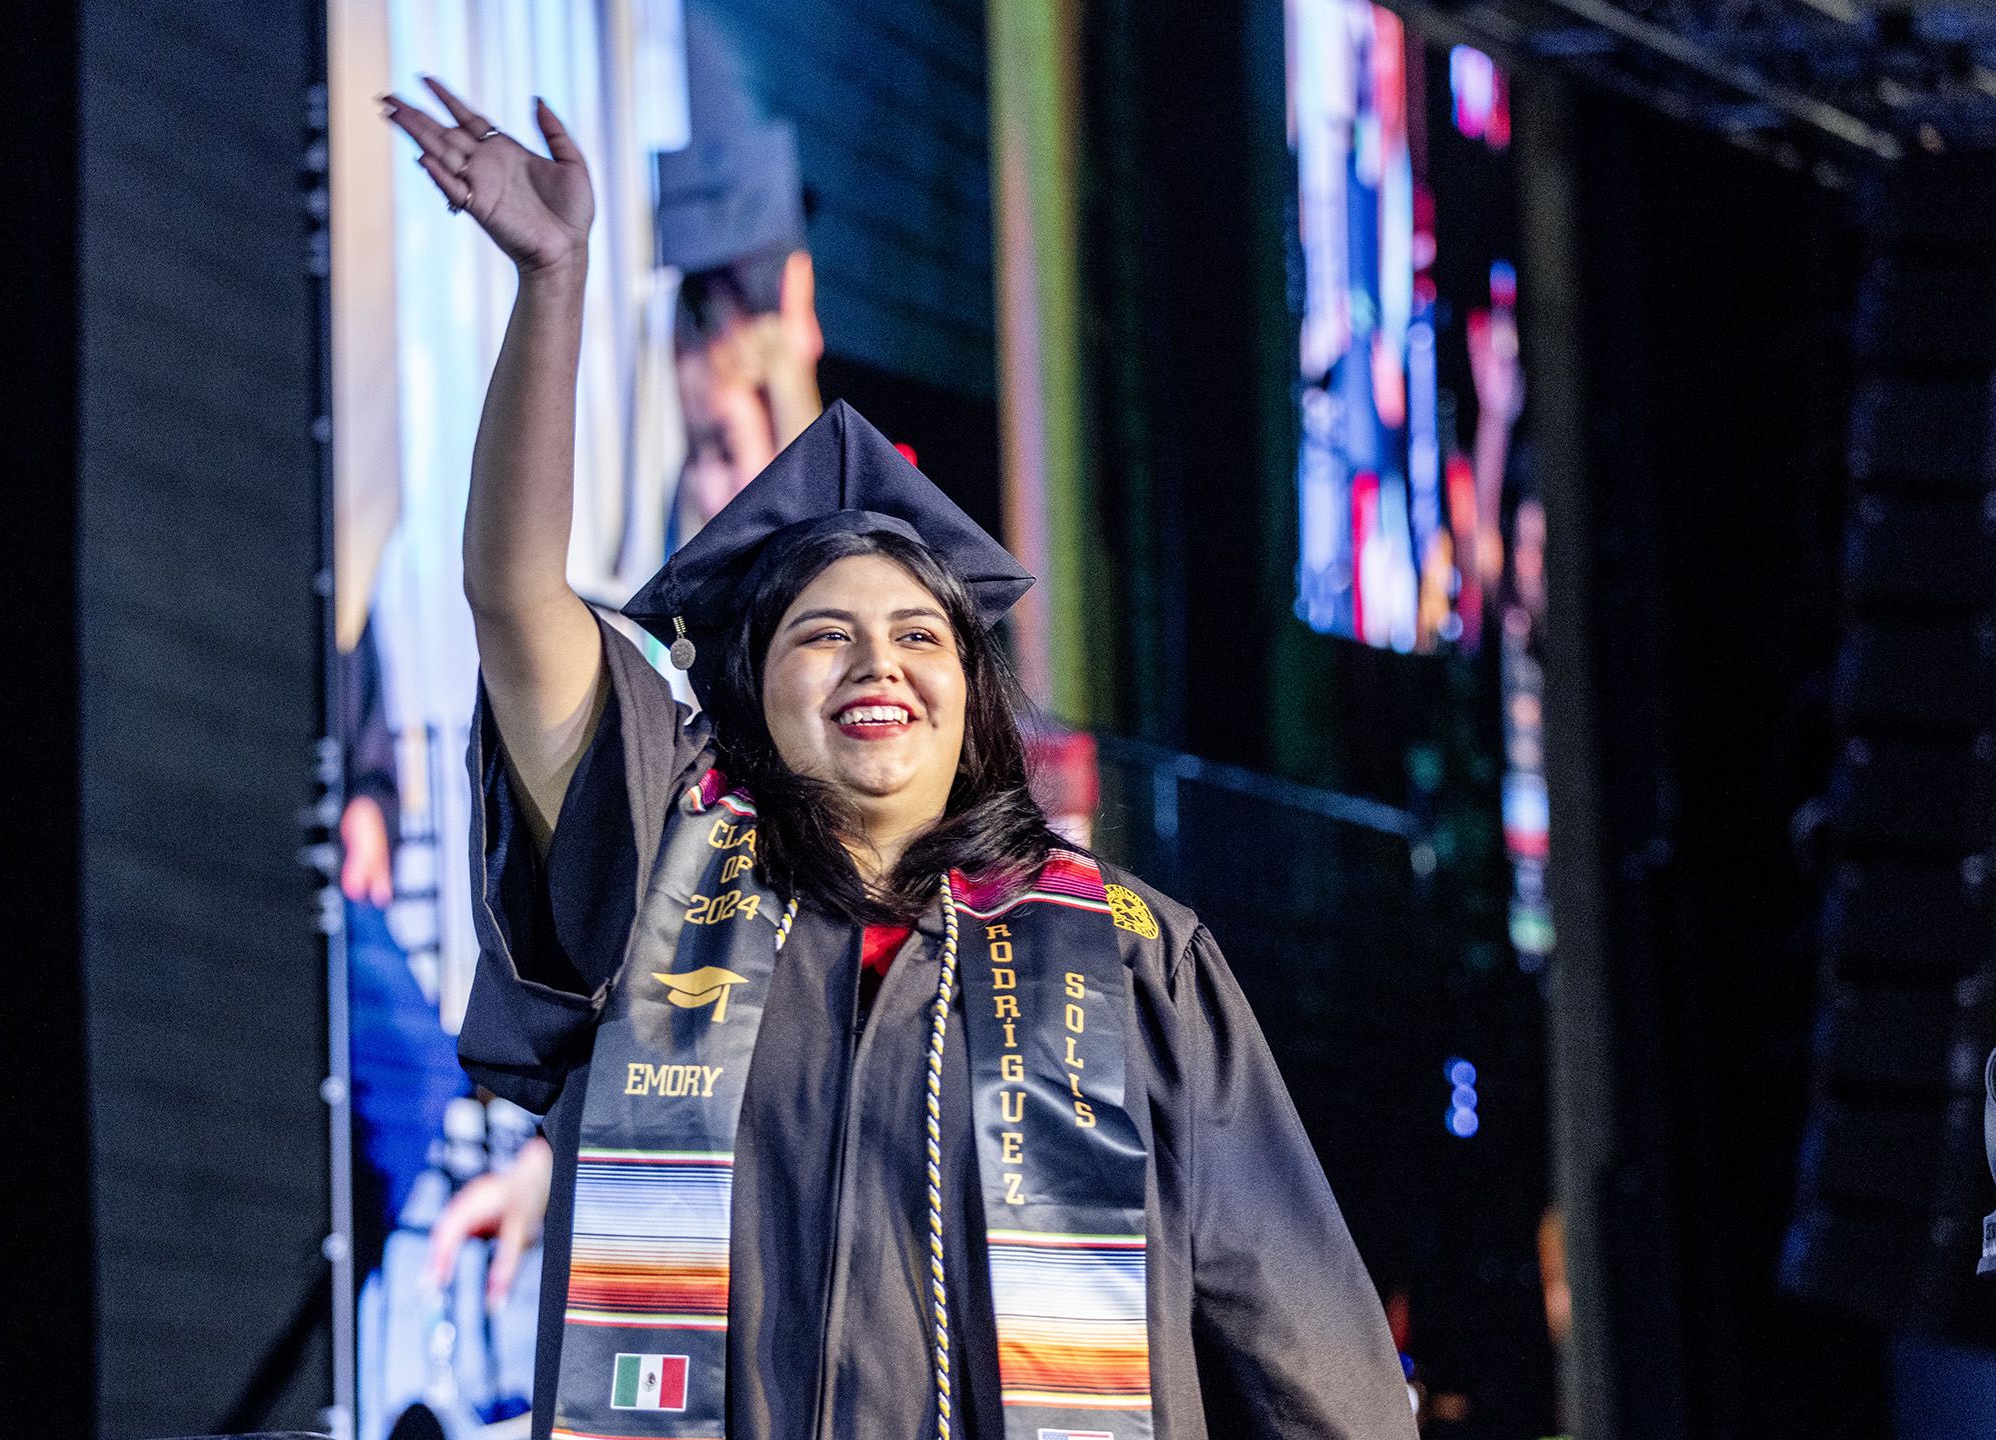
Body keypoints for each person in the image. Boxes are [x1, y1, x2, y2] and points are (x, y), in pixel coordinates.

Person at [382, 77, 1414, 1440]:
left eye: (919, 634)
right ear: (751, 696)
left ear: (974, 697)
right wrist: (555, 282)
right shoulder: (656, 882)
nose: (878, 665)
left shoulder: (1134, 961)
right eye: (823, 636)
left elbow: (1321, 1373)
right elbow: (519, 602)